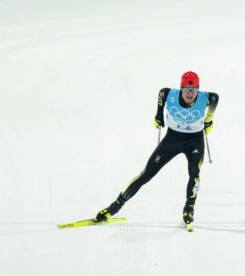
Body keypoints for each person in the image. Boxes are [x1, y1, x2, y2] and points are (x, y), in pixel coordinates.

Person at [93, 71, 219, 226]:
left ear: (198, 90)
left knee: (195, 172)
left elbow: (215, 98)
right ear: (181, 89)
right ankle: (114, 207)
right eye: (186, 89)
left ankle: (189, 209)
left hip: (194, 140)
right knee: (147, 174)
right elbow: (162, 92)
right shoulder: (171, 95)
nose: (190, 93)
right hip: (173, 138)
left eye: (193, 90)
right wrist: (158, 114)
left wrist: (209, 120)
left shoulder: (206, 97)